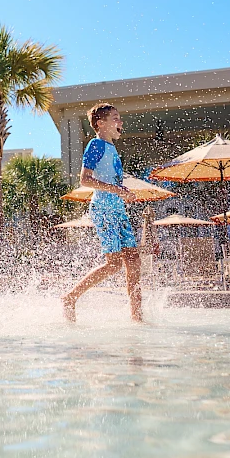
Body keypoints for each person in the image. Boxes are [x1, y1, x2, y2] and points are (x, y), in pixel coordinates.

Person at [61, 103, 142, 323]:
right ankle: (70, 297)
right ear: (101, 123)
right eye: (115, 118)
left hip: (118, 208)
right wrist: (116, 190)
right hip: (103, 208)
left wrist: (124, 193)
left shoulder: (112, 148)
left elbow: (111, 180)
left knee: (134, 260)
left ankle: (137, 317)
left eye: (119, 118)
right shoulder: (96, 145)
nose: (120, 122)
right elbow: (85, 180)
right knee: (114, 263)